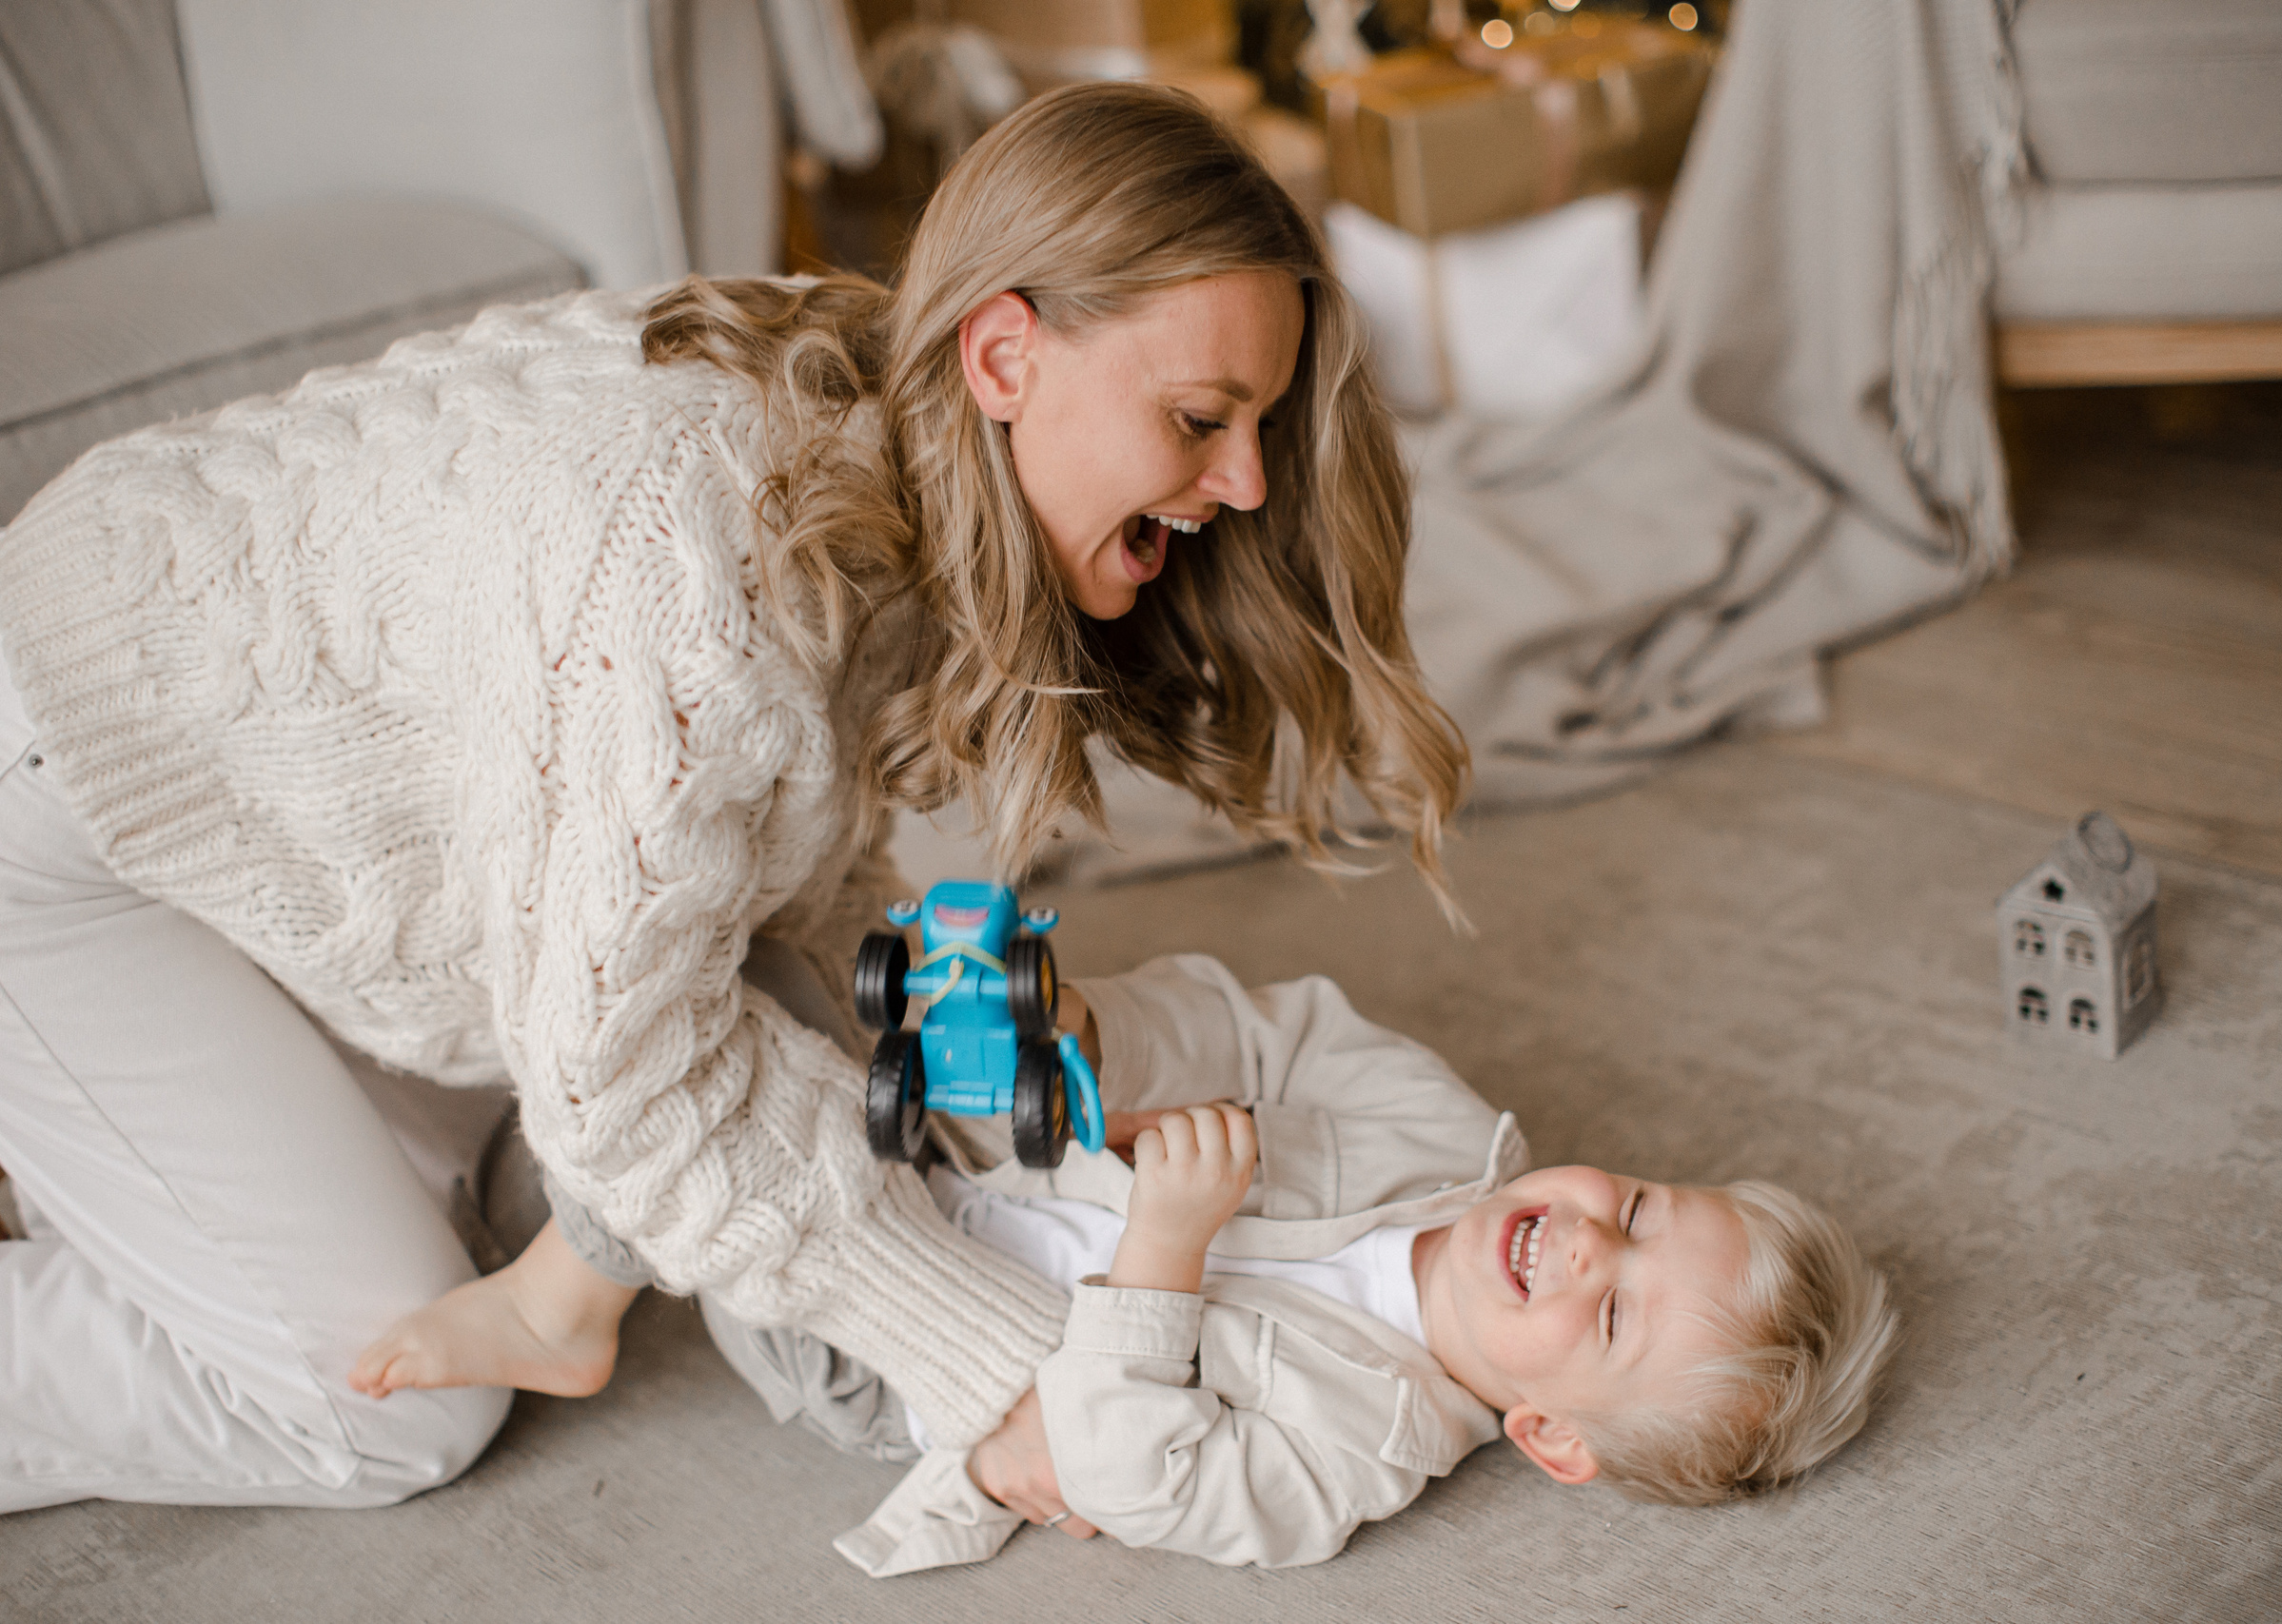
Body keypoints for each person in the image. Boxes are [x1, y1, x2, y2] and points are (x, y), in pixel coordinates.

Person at [0, 83, 1463, 1514]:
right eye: (1207, 416)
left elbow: (782, 879)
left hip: (211, 782)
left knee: (550, 1173)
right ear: (1006, 357)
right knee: (397, 1408)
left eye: (1258, 426)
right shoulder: (698, 560)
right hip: (54, 792)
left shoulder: (875, 421)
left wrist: (1008, 1118)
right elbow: (624, 1082)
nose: (1251, 485)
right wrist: (994, 1370)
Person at [354, 954, 1899, 1572]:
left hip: (885, 1345)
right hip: (972, 1147)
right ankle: (555, 1110)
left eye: (1612, 1310)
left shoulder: (1353, 1457)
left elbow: (1136, 1472)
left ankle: (566, 1298)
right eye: (1630, 1202)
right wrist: (1100, 1039)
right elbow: (1253, 1022)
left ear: (1553, 1436)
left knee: (729, 1103)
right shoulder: (1439, 1126)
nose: (1583, 1240)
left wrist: (1166, 1252)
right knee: (750, 945)